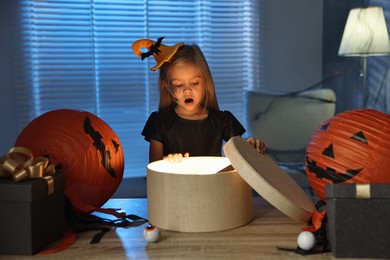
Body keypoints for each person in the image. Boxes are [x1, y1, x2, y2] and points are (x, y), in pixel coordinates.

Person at [132, 37, 265, 163]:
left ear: (205, 82)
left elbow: (241, 154)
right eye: (179, 84)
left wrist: (251, 147)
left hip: (214, 186)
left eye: (195, 83)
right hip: (175, 186)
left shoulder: (223, 121)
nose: (187, 91)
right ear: (166, 86)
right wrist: (167, 163)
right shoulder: (159, 122)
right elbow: (154, 170)